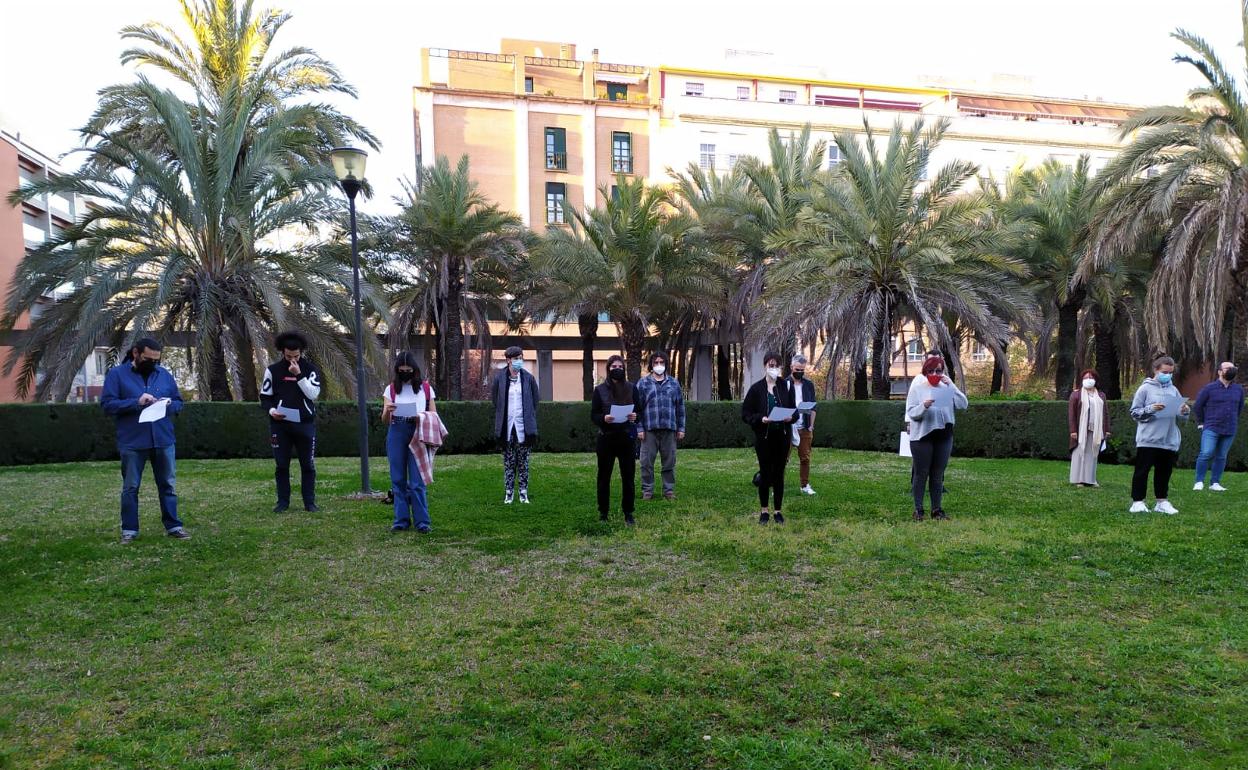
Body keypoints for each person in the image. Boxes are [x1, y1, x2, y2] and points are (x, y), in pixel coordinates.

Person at [100, 337, 190, 543]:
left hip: (163, 439)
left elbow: (178, 401)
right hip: (133, 441)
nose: (153, 364)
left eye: (156, 360)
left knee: (167, 485)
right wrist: (136, 402)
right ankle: (129, 530)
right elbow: (107, 405)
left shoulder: (164, 375)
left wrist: (168, 405)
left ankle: (173, 526)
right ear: (136, 353)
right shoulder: (117, 375)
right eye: (148, 359)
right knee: (131, 487)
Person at [259, 331, 322, 513]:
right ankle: (282, 502)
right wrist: (272, 411)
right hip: (280, 425)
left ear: (301, 352)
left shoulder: (310, 369)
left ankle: (309, 503)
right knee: (281, 465)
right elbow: (265, 397)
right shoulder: (273, 370)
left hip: (304, 424)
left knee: (308, 465)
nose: (292, 360)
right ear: (282, 352)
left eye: (296, 356)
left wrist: (299, 375)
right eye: (288, 356)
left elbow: (313, 394)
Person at [905, 354, 969, 521]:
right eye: (931, 370)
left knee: (937, 473)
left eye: (938, 371)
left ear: (943, 372)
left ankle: (937, 510)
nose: (935, 374)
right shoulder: (918, 387)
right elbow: (911, 412)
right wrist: (923, 406)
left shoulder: (947, 387)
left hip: (944, 436)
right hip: (922, 437)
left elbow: (963, 404)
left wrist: (952, 386)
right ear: (925, 372)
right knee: (921, 473)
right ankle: (918, 510)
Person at [741, 352, 798, 524]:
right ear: (765, 366)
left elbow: (794, 411)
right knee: (765, 474)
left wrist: (791, 417)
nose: (774, 368)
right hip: (764, 438)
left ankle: (778, 511)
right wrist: (760, 419)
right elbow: (746, 413)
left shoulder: (786, 386)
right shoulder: (756, 389)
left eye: (777, 365)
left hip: (782, 437)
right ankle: (764, 511)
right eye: (770, 365)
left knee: (779, 474)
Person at [382, 352, 436, 532]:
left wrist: (419, 416)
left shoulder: (425, 388)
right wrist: (388, 411)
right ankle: (401, 520)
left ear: (415, 370)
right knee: (397, 478)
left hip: (418, 430)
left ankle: (422, 522)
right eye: (402, 370)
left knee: (417, 480)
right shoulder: (390, 389)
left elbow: (434, 415)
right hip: (397, 430)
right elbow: (384, 420)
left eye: (409, 370)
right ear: (397, 371)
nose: (405, 373)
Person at [1129, 355, 1190, 514]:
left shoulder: (1173, 389)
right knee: (1142, 471)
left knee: (1164, 472)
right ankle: (1137, 502)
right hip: (1148, 439)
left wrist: (1184, 411)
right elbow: (1135, 413)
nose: (1168, 375)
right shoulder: (1145, 389)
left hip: (1168, 439)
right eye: (1164, 372)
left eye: (1170, 372)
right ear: (1155, 370)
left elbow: (1180, 414)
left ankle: (1161, 502)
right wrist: (1151, 409)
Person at [590, 355, 638, 524]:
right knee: (604, 477)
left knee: (628, 477)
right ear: (608, 369)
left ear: (623, 369)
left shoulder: (632, 388)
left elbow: (639, 411)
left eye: (619, 366)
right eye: (613, 366)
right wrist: (604, 418)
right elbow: (593, 414)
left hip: (626, 439)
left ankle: (628, 513)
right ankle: (603, 512)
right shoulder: (599, 390)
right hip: (606, 439)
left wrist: (634, 416)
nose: (617, 368)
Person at [491, 345, 540, 504]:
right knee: (509, 462)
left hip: (524, 427)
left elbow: (535, 400)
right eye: (516, 358)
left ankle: (523, 492)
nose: (519, 361)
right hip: (507, 427)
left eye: (521, 358)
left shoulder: (528, 378)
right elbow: (495, 401)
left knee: (523, 462)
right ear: (508, 360)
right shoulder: (499, 378)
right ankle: (509, 492)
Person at [635, 351, 686, 501]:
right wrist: (639, 428)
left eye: (661, 362)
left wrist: (681, 428)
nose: (659, 365)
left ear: (666, 364)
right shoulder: (643, 383)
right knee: (646, 462)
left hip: (669, 429)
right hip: (649, 429)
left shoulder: (673, 383)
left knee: (669, 462)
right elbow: (637, 408)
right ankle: (647, 490)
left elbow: (680, 407)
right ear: (651, 364)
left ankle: (668, 490)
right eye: (656, 362)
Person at [1193, 361, 1244, 491]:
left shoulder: (1238, 389)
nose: (1231, 370)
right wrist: (1201, 423)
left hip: (1230, 428)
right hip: (1211, 427)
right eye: (1228, 368)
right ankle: (1199, 481)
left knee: (1221, 456)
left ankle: (1215, 483)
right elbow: (1198, 406)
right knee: (1206, 453)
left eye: (1233, 368)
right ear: (1220, 372)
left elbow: (1239, 408)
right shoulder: (1209, 388)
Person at [1068, 369, 1112, 487]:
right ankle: (1079, 480)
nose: (1088, 380)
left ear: (1095, 380)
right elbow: (1071, 414)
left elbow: (1105, 413)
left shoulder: (1101, 395)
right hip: (1080, 430)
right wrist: (1073, 430)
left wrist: (1107, 429)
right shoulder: (1076, 394)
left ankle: (1090, 479)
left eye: (1091, 377)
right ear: (1082, 380)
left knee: (1092, 453)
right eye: (1086, 378)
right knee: (1079, 452)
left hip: (1096, 430)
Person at [789, 354, 818, 495]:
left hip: (805, 426)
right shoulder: (784, 384)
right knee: (782, 458)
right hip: (788, 426)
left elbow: (813, 407)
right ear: (791, 368)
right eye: (797, 369)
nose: (799, 372)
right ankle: (777, 486)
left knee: (805, 458)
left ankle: (805, 485)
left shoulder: (808, 385)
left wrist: (811, 426)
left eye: (802, 370)